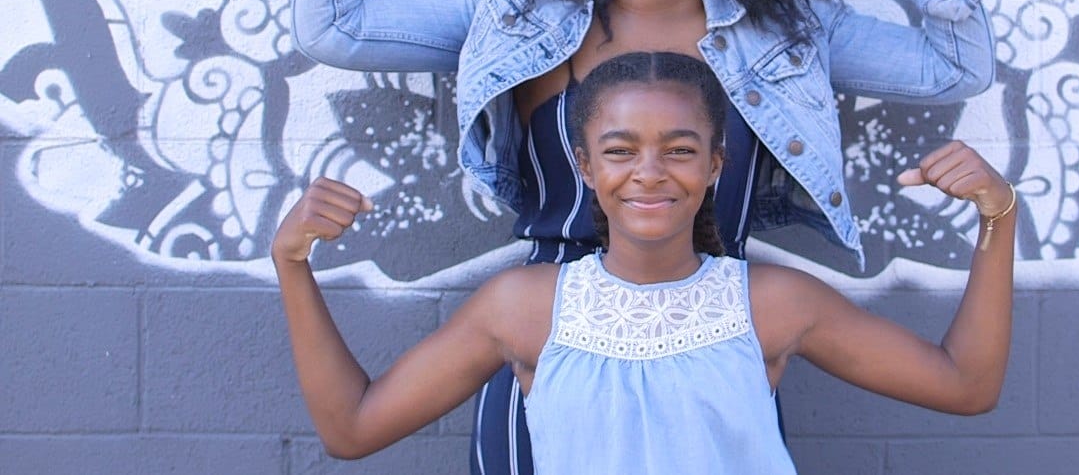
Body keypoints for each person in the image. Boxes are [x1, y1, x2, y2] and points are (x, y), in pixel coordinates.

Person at [291, 0, 996, 473]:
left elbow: (956, 65)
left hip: (714, 349)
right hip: (547, 352)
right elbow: (332, 28)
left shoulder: (779, 27)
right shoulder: (518, 12)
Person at [273, 52, 1015, 473]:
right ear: (586, 166)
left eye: (680, 149)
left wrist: (998, 216)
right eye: (621, 149)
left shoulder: (774, 304)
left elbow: (966, 385)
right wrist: (293, 266)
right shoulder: (523, 308)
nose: (650, 172)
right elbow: (353, 428)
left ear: (716, 165)